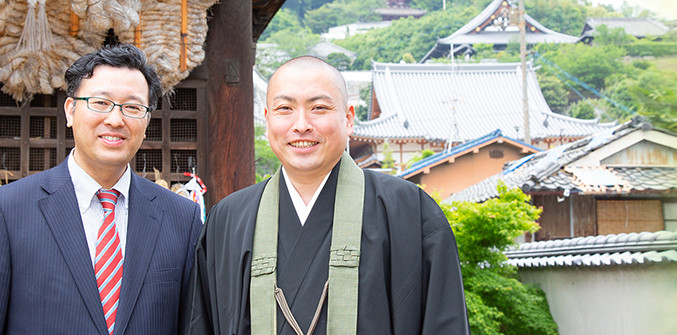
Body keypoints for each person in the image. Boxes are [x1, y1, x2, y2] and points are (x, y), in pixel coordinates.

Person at [183, 56, 469, 335]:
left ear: (348, 118)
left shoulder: (408, 213)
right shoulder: (228, 221)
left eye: (319, 107)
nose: (302, 124)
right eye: (285, 109)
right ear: (268, 119)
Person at [0, 43, 203, 334]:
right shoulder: (9, 209)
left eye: (133, 107)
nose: (115, 120)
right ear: (70, 111)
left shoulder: (182, 218)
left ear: (146, 121)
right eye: (100, 103)